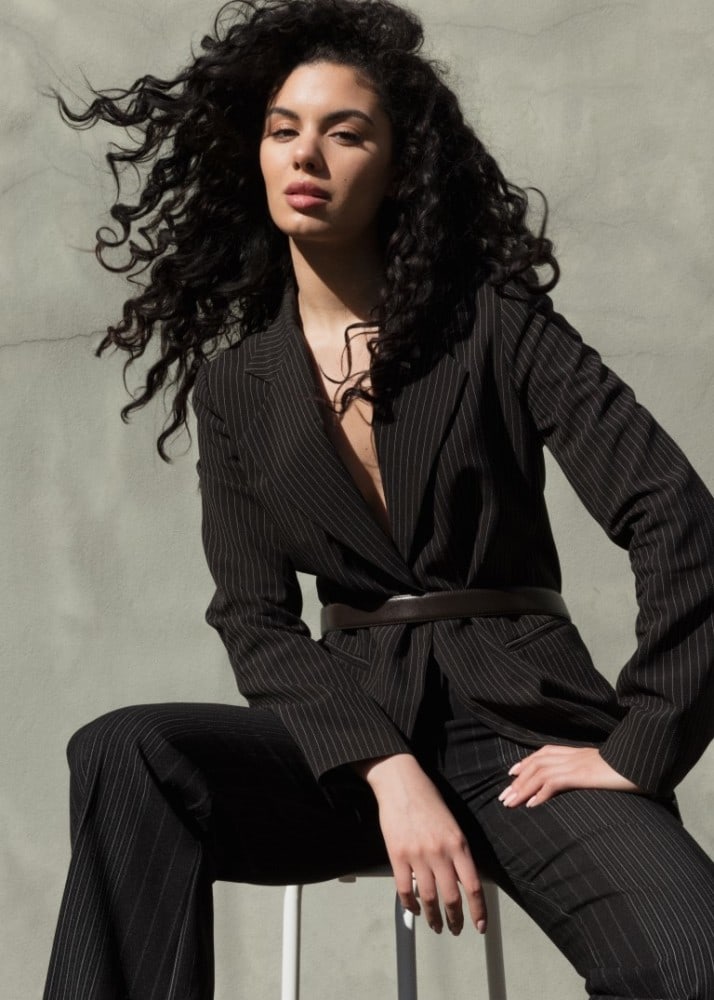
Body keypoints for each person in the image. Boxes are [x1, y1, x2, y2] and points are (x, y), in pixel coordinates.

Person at [43, 1, 714, 998]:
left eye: (346, 132)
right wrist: (385, 767)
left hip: (525, 737)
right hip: (347, 748)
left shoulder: (496, 326)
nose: (305, 153)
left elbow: (676, 515)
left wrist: (642, 740)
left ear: (400, 168)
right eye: (284, 129)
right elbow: (254, 618)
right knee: (127, 751)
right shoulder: (238, 389)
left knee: (694, 961)